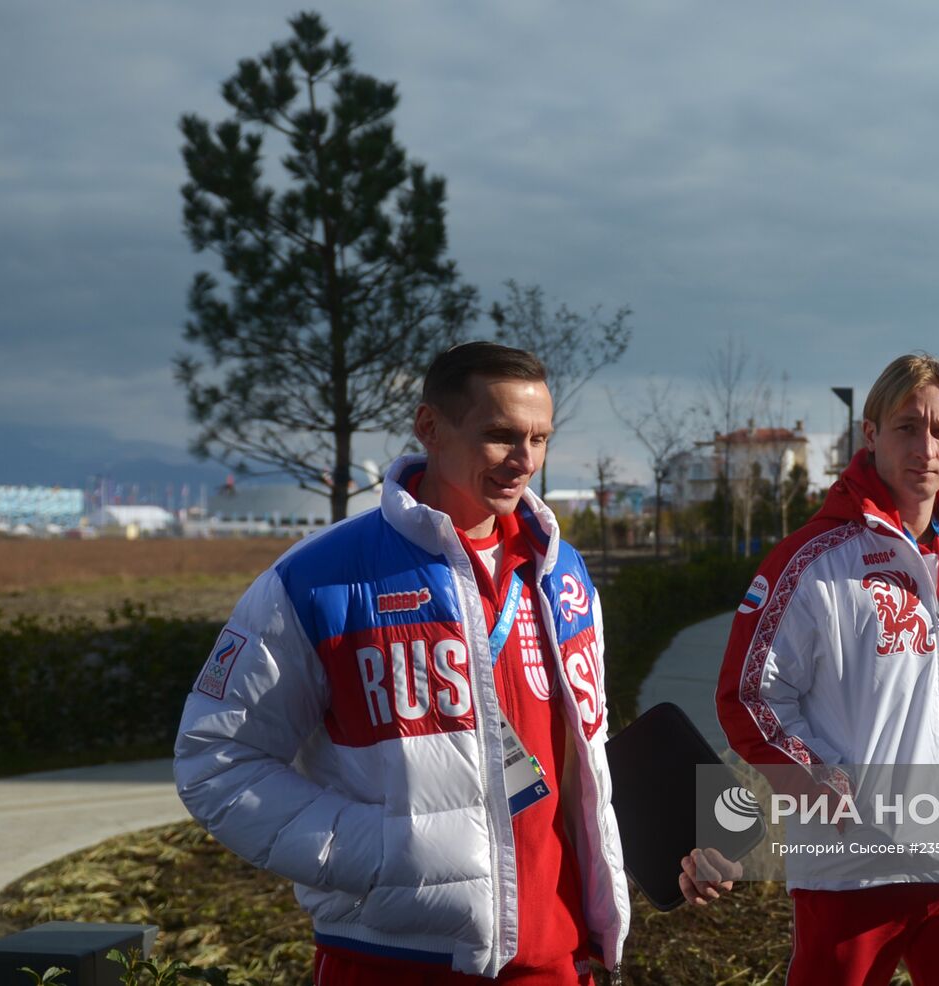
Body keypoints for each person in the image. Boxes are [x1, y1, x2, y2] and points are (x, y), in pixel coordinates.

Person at [176, 342, 717, 985]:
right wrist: (385, 852)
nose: (525, 461)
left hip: (558, 959)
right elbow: (216, 760)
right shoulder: (317, 579)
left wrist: (672, 841)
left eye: (540, 439)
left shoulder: (561, 573)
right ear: (429, 426)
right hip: (392, 959)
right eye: (500, 436)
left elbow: (576, 760)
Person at [714, 353, 939, 985]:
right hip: (854, 870)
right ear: (871, 434)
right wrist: (821, 781)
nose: (925, 447)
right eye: (907, 427)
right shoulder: (812, 560)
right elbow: (750, 694)